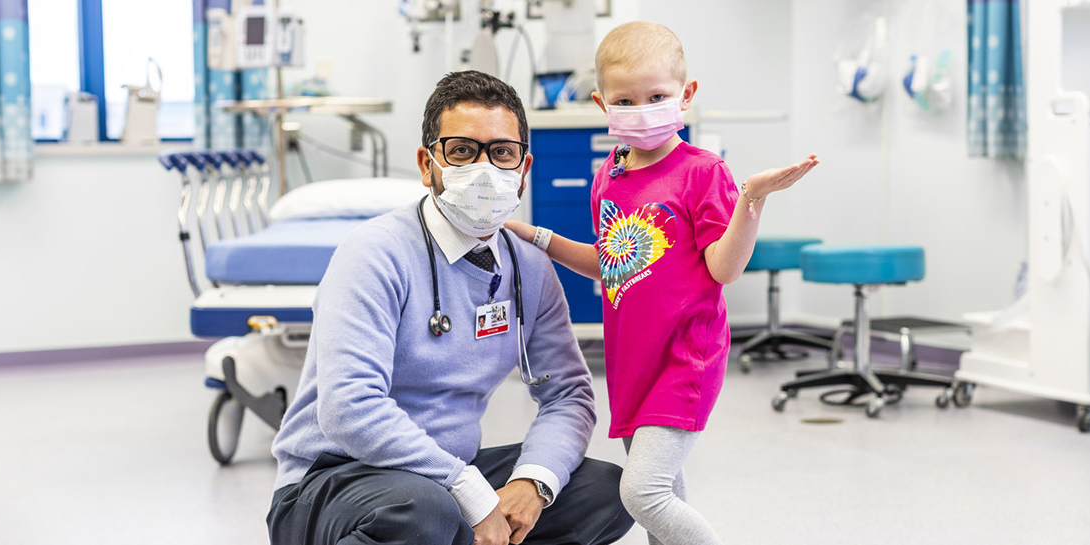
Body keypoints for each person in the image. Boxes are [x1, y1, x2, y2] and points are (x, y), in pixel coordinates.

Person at [266, 70, 635, 545]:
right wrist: (470, 493)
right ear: (427, 164)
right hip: (334, 479)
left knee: (608, 492)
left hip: (446, 474)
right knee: (425, 513)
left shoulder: (529, 268)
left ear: (523, 168)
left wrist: (532, 482)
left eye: (502, 153)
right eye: (462, 151)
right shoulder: (375, 253)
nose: (486, 170)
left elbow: (568, 395)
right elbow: (348, 408)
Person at [505, 21, 819, 545]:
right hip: (634, 362)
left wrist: (751, 200)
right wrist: (538, 237)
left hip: (684, 360)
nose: (642, 108)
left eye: (657, 95)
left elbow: (724, 268)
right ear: (602, 105)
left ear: (686, 94)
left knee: (642, 493)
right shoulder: (610, 175)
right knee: (665, 497)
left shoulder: (702, 172)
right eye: (625, 100)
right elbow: (612, 265)